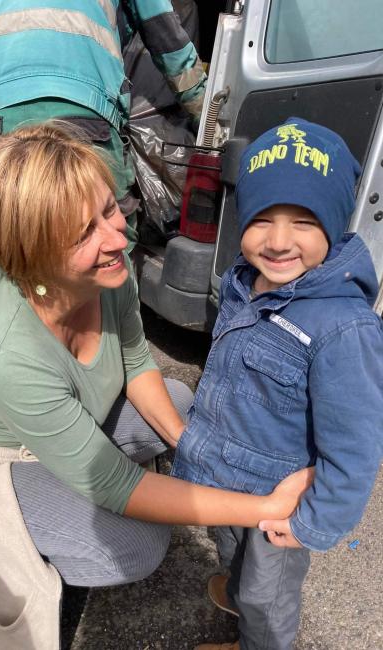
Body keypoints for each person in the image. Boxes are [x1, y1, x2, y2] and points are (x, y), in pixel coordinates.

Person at [0, 123, 312, 648]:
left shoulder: (108, 272)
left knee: (178, 402)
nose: (116, 238)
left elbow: (135, 360)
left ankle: (72, 489)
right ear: (31, 252)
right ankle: (32, 547)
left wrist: (195, 450)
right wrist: (266, 507)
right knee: (137, 544)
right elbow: (118, 486)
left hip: (48, 423)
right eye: (82, 235)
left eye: (109, 209)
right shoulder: (1, 348)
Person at [171, 118, 383, 650]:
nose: (279, 240)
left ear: (333, 227)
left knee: (267, 600)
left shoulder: (343, 326)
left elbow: (356, 442)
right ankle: (237, 602)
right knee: (232, 558)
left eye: (303, 222)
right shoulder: (242, 283)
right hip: (223, 482)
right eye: (262, 219)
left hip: (279, 501)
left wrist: (317, 520)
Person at [0, 0, 207, 250]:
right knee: (107, 231)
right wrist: (206, 113)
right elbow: (165, 34)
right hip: (82, 95)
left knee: (16, 231)